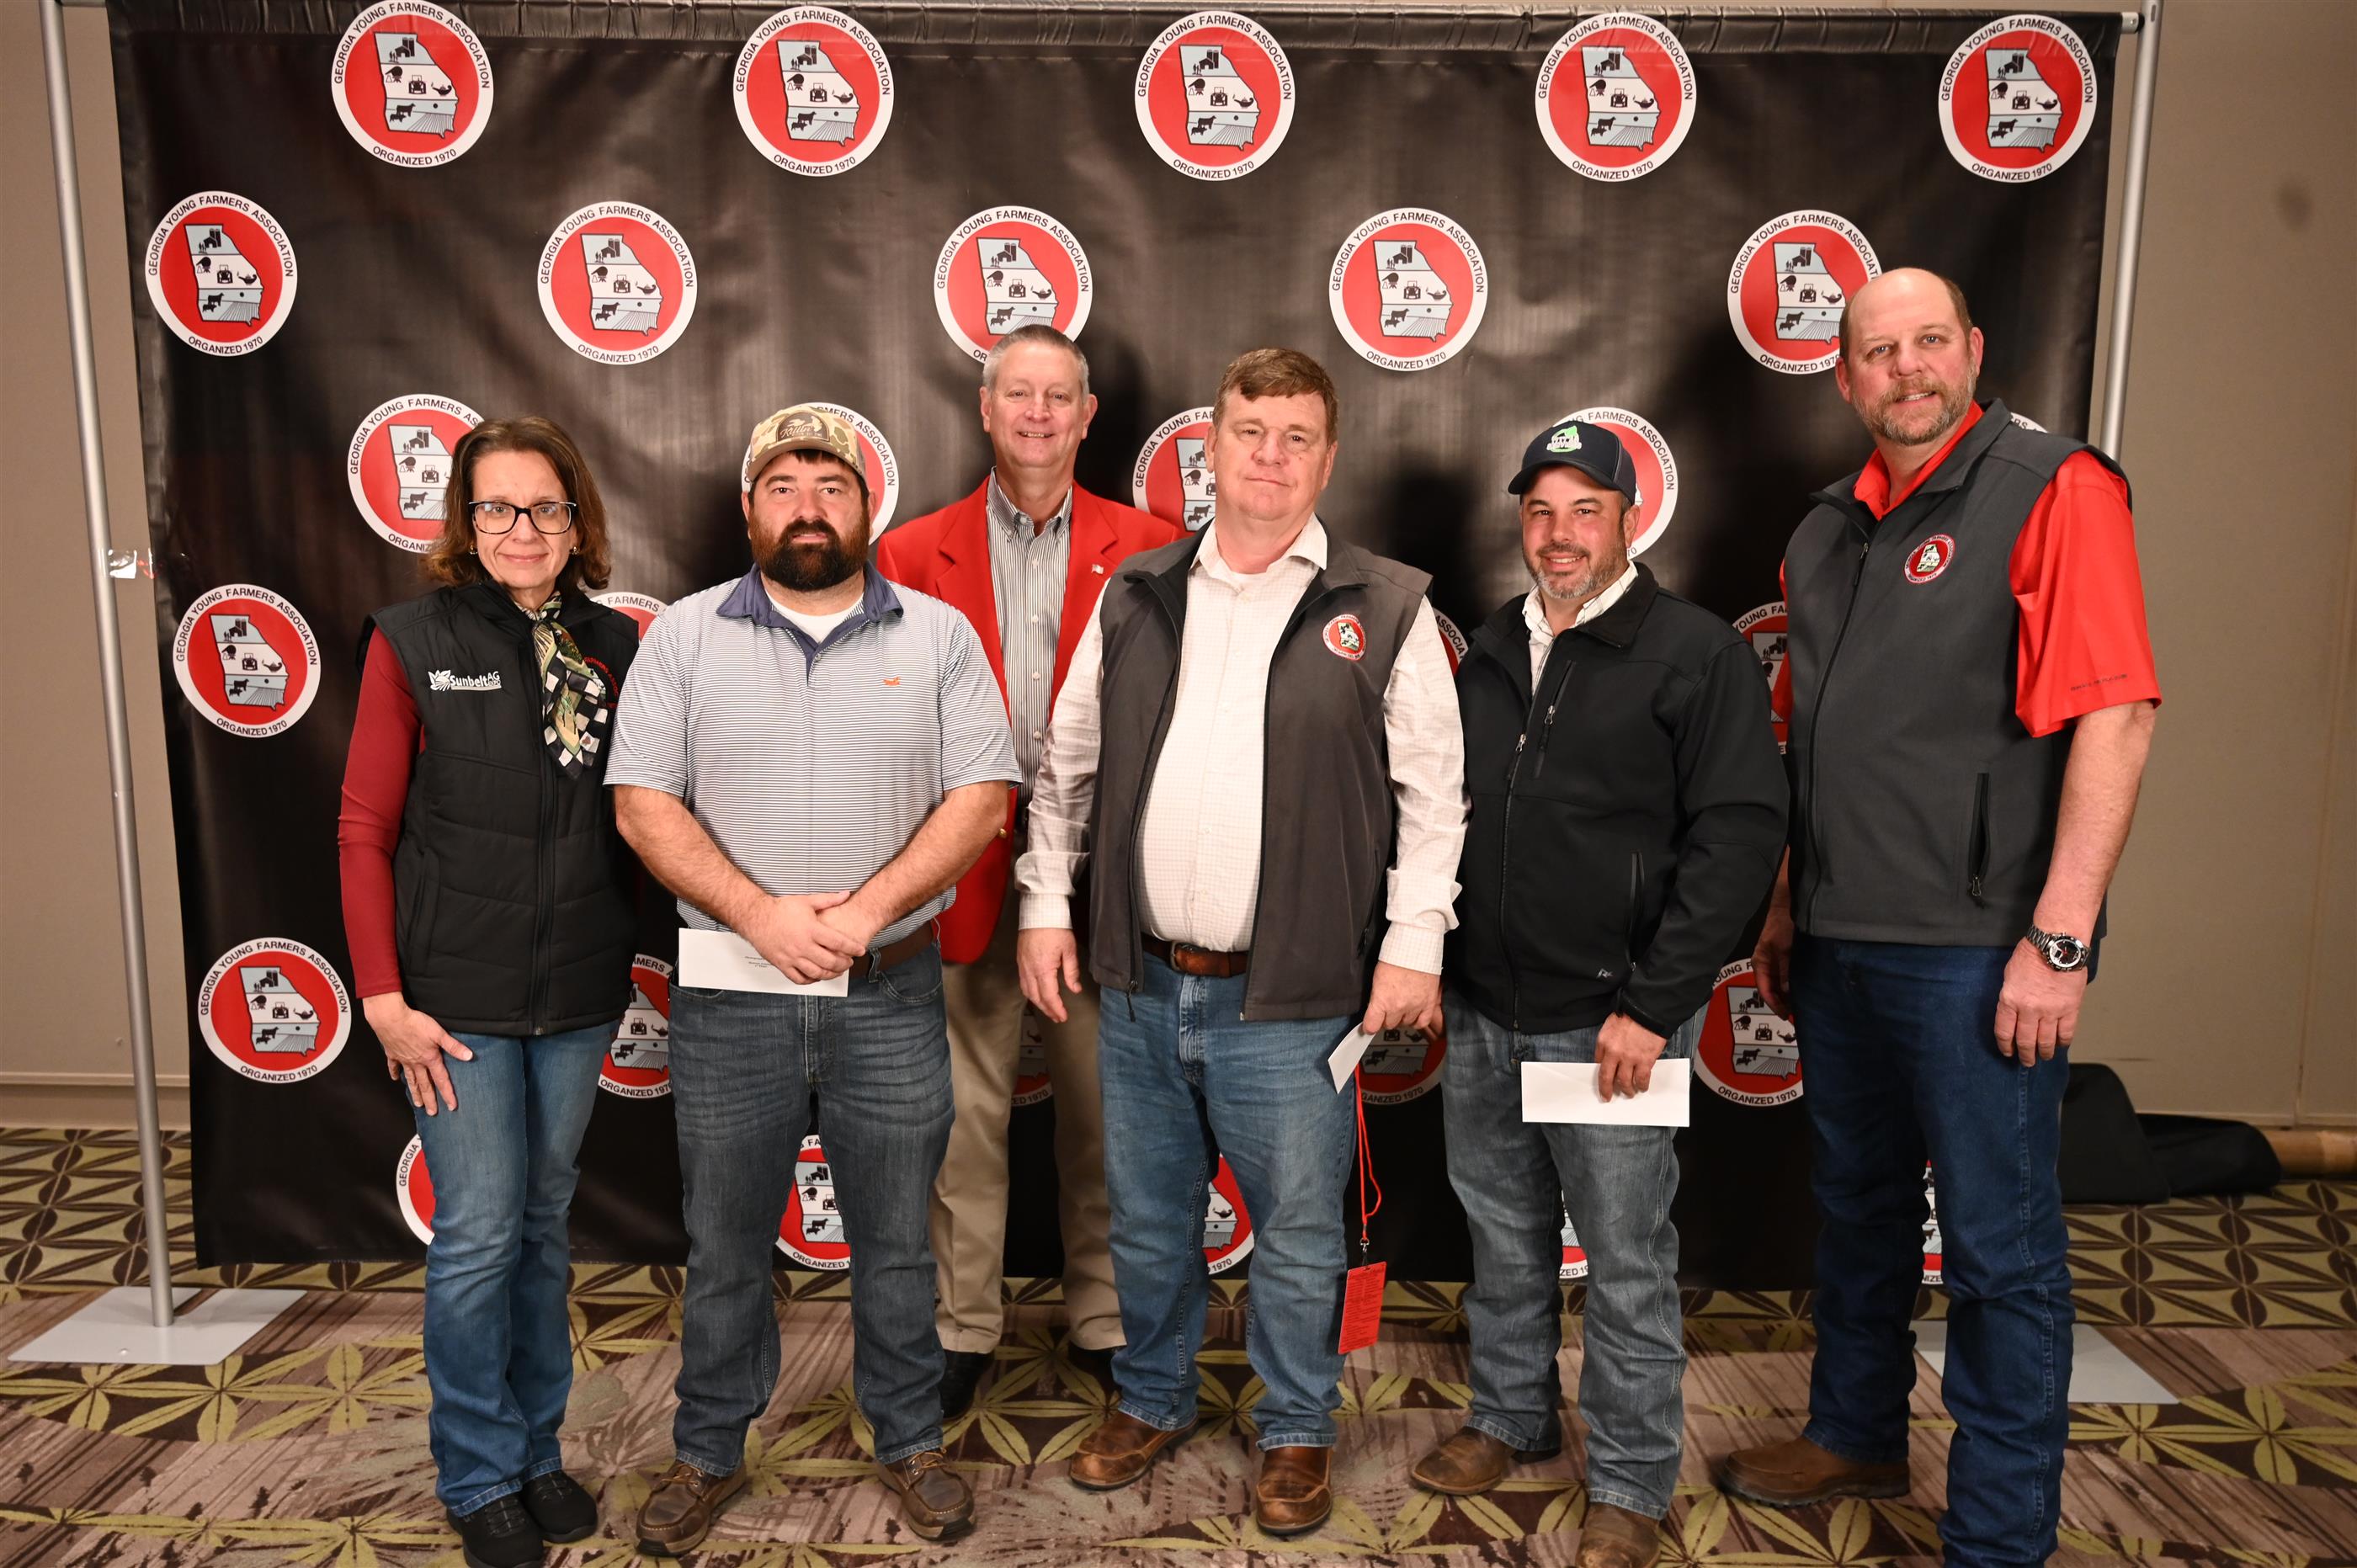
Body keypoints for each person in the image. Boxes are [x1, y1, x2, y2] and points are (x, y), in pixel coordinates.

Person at [1711, 269, 2161, 1567]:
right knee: (1857, 1211)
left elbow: (2117, 712)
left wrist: (2060, 941)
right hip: (1841, 937)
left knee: (1997, 1250)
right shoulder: (1824, 532)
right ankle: (1854, 1430)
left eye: (1928, 343)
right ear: (1845, 377)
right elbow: (1819, 743)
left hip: (1982, 949)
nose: (1906, 369)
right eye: (1878, 351)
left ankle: (1999, 1535)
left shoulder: (2056, 486)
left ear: (1972, 349)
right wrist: (1789, 901)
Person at [1015, 348, 1467, 1538]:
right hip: (1141, 981)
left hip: (1297, 998)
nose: (1270, 456)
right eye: (1250, 432)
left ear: (1329, 456)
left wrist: (1414, 944)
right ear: (1210, 446)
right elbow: (1068, 765)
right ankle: (1152, 1397)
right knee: (1146, 1216)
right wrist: (1045, 904)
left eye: (1296, 436)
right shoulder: (1138, 590)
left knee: (1301, 1231)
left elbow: (1434, 797)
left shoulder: (1387, 605)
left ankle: (1298, 1427)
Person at [605, 405, 1016, 1555]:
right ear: (748, 508)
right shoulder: (683, 637)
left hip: (887, 991)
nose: (808, 507)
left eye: (831, 486)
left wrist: (863, 915)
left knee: (897, 1241)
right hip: (732, 991)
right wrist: (762, 916)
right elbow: (642, 804)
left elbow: (982, 799)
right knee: (726, 1243)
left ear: (867, 507)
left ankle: (909, 1440)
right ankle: (706, 1451)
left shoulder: (939, 636)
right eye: (782, 485)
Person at [1413, 419, 1786, 1568]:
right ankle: (1510, 1415)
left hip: (1614, 1021)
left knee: (1625, 1260)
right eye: (1541, 511)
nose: (1560, 533)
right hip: (1486, 1008)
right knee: (1502, 1233)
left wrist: (1654, 1007)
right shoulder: (1490, 646)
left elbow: (1738, 837)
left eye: (1586, 510)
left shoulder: (1694, 653)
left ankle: (1629, 1480)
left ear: (1630, 519)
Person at [337, 416, 640, 1568]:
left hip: (577, 995)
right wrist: (382, 998)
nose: (524, 529)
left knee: (543, 1228)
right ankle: (476, 1473)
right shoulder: (412, 640)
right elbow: (363, 831)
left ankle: (536, 1452)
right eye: (499, 508)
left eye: (546, 507)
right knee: (475, 1237)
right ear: (466, 524)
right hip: (449, 1007)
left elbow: (645, 812)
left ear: (577, 520)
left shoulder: (615, 643)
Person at [875, 325, 1181, 1417]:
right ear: (985, 407)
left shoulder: (1155, 549)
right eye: (1020, 394)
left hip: (1099, 881)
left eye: (1059, 396)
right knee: (964, 1117)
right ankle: (961, 1325)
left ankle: (1105, 1317)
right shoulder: (910, 553)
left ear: (1089, 415)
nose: (1039, 414)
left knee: (1108, 1114)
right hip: (959, 870)